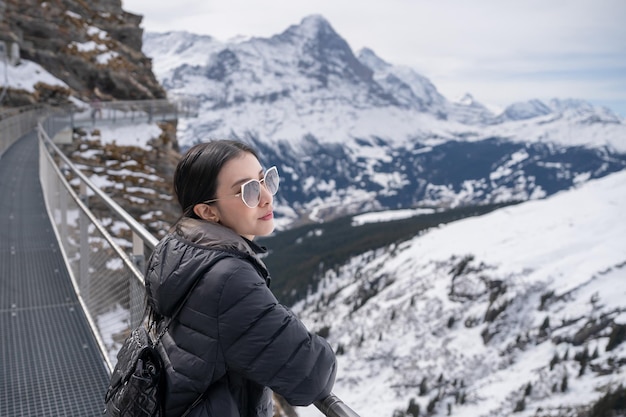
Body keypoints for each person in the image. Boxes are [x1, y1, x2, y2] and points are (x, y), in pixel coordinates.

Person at [144, 139, 337, 417]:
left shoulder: (176, 248)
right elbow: (313, 376)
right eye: (248, 190)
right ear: (207, 211)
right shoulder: (230, 280)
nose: (266, 196)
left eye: (265, 180)